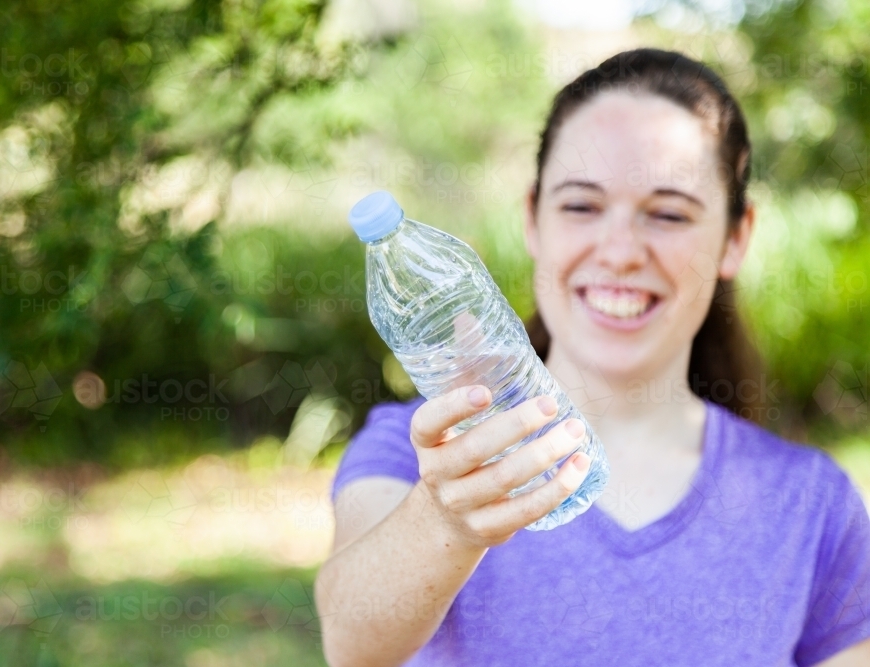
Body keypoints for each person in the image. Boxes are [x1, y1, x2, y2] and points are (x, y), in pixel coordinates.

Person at [314, 49, 870, 666]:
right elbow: (350, 643)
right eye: (581, 205)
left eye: (667, 213)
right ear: (533, 219)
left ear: (735, 239)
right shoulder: (420, 459)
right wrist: (446, 523)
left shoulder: (810, 504)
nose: (621, 250)